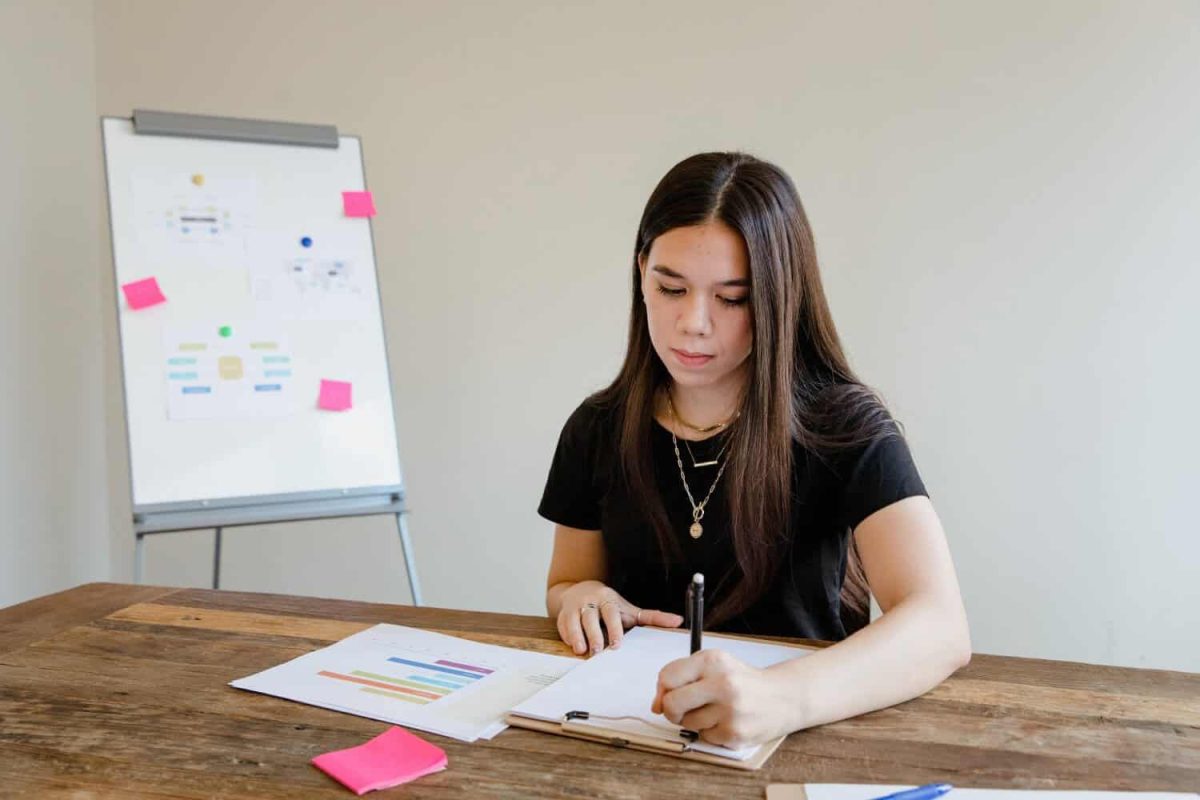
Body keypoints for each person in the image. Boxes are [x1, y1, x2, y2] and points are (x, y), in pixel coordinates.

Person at [539, 152, 971, 749]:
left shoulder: (845, 426)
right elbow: (567, 581)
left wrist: (781, 698)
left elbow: (941, 626)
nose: (693, 322)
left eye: (733, 298)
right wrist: (582, 598)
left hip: (801, 744)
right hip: (630, 741)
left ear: (779, 298)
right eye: (671, 287)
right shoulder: (596, 428)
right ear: (641, 273)